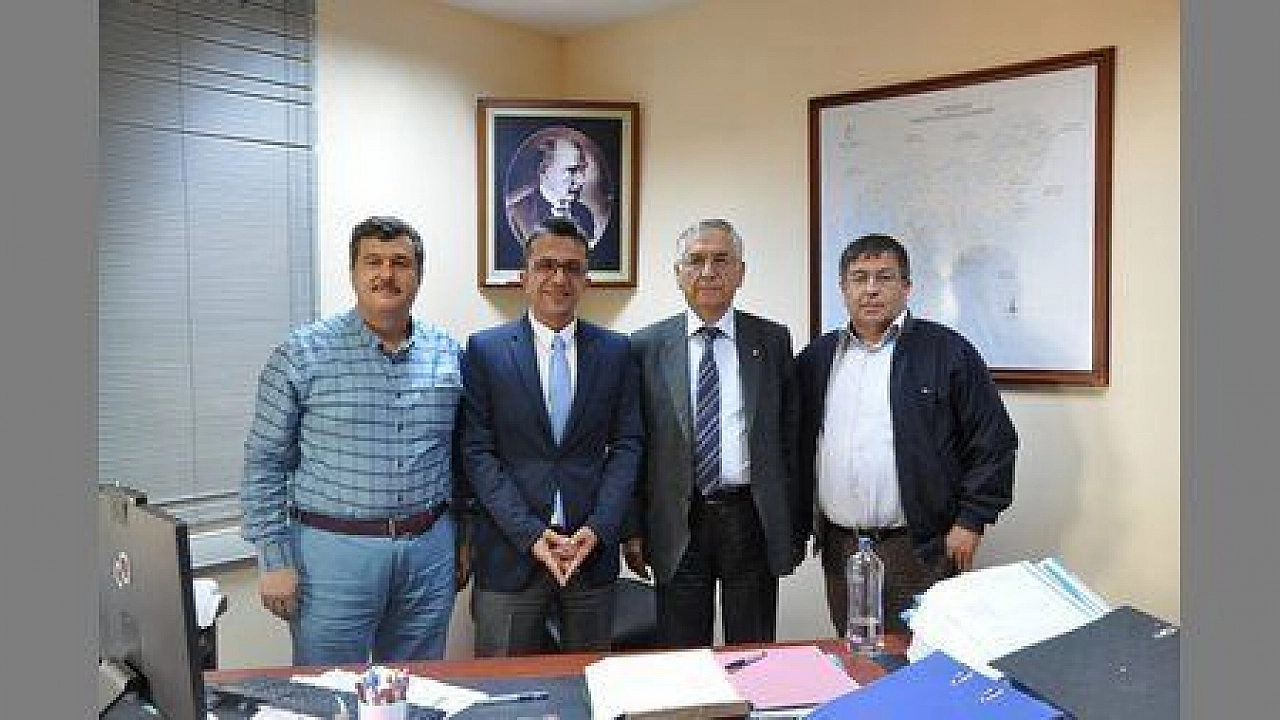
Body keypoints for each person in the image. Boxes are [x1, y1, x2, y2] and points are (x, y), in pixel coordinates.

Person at [240, 215, 466, 665]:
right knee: (330, 689)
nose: (387, 274)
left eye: (400, 262)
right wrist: (273, 558)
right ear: (353, 272)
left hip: (429, 553)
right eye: (373, 262)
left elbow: (461, 455)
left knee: (418, 688)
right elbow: (264, 462)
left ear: (419, 275)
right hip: (332, 557)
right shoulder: (300, 354)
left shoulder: (449, 353)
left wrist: (464, 537)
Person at [796, 232, 1019, 635]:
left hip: (921, 547)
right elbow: (795, 445)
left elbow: (994, 442)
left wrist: (971, 521)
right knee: (857, 655)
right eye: (859, 278)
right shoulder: (818, 359)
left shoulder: (947, 352)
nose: (871, 289)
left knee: (921, 656)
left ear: (907, 287)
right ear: (843, 289)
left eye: (884, 277)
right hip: (842, 548)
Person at [459, 216, 642, 656]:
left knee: (590, 682)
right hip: (510, 551)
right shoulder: (485, 351)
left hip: (589, 551)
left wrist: (599, 528)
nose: (559, 278)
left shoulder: (616, 351)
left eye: (572, 268)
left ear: (587, 281)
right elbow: (477, 452)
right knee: (505, 685)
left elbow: (627, 446)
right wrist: (529, 533)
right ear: (523, 277)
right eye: (546, 265)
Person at [625, 218, 806, 648]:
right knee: (682, 655)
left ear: (741, 272)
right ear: (678, 273)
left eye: (721, 260)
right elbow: (634, 446)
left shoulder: (773, 341)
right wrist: (632, 529)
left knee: (754, 651)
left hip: (751, 518)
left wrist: (795, 524)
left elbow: (791, 440)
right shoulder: (645, 346)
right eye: (697, 260)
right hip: (677, 521)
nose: (708, 272)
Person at [506, 135, 597, 244]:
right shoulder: (517, 215)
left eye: (582, 170)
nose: (580, 180)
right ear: (543, 170)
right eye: (571, 170)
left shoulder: (584, 214)